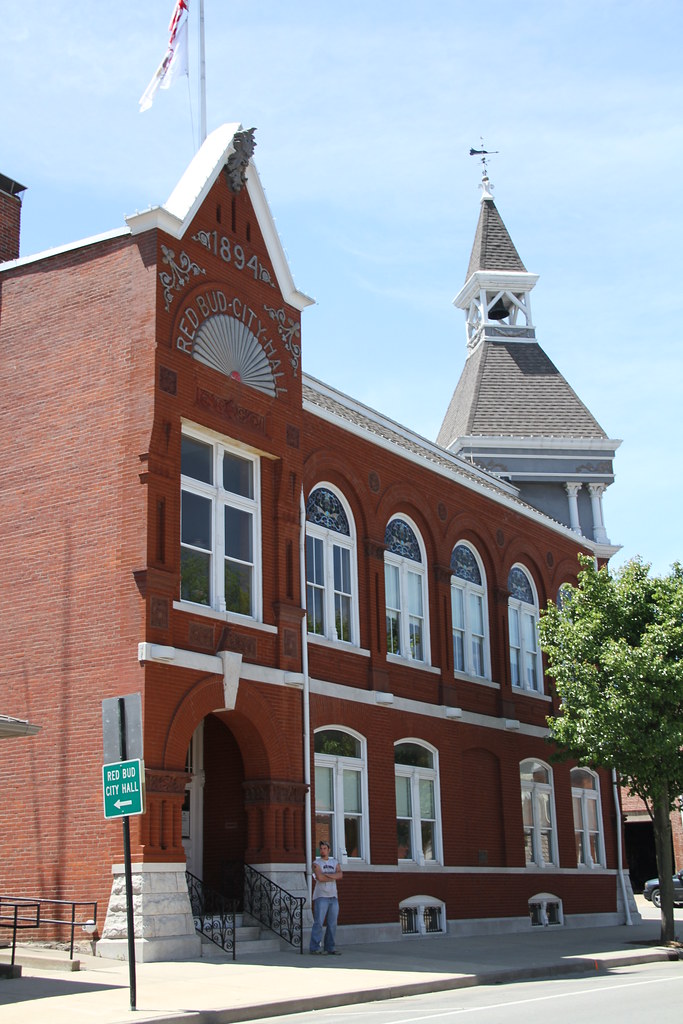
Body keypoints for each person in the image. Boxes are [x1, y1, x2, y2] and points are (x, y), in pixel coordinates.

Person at [309, 840, 343, 955]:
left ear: (329, 850)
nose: (322, 851)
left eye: (324, 848)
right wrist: (333, 876)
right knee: (318, 922)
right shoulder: (316, 863)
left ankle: (330, 947)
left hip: (333, 897)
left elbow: (340, 875)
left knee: (332, 923)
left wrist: (326, 875)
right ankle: (314, 947)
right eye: (321, 849)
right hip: (321, 896)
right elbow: (320, 877)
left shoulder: (334, 862)